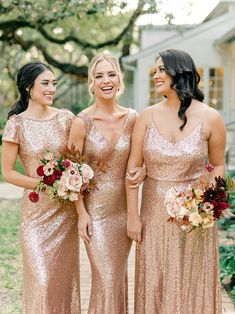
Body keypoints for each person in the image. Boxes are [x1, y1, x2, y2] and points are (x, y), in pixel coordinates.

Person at [126, 49, 225, 314]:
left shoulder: (211, 117)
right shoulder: (146, 116)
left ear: (179, 72)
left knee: (192, 279)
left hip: (194, 217)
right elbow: (132, 170)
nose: (156, 75)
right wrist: (133, 217)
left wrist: (208, 202)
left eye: (161, 70)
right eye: (155, 70)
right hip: (153, 213)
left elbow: (217, 164)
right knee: (156, 277)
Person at [68, 52, 145, 314]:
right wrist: (81, 213)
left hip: (123, 212)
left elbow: (140, 160)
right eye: (99, 75)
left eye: (111, 74)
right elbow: (71, 174)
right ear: (92, 82)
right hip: (96, 215)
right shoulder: (82, 122)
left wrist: (143, 170)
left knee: (116, 281)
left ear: (120, 78)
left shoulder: (133, 118)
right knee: (107, 279)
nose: (106, 80)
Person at [1, 61, 80, 313]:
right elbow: (8, 172)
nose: (51, 89)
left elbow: (76, 163)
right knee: (42, 281)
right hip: (35, 216)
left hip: (64, 214)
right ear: (28, 87)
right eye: (45, 83)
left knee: (60, 283)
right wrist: (45, 183)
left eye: (53, 83)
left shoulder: (66, 118)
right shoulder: (17, 124)